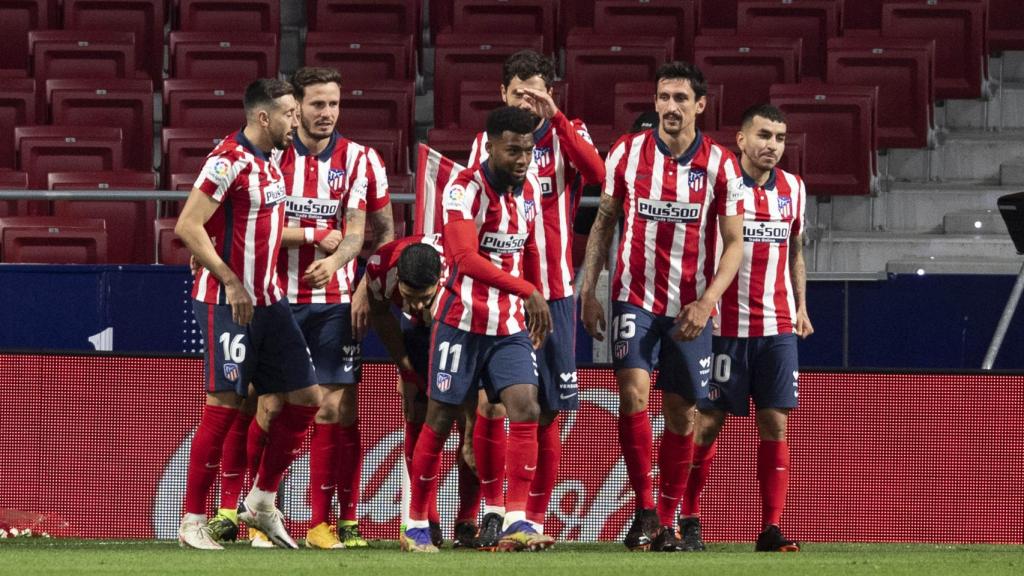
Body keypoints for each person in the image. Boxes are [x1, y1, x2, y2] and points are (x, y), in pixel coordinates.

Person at [579, 61, 746, 552]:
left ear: (700, 105)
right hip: (634, 297)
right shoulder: (627, 154)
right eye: (663, 97)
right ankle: (645, 509)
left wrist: (707, 301)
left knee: (682, 411)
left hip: (691, 307)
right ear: (654, 103)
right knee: (632, 394)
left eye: (680, 98)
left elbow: (734, 242)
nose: (670, 107)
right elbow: (604, 222)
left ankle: (669, 519)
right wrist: (590, 290)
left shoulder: (720, 164)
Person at [464, 49, 605, 548]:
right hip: (504, 295)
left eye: (537, 91)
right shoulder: (486, 141)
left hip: (557, 291)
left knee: (548, 409)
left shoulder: (569, 131)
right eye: (519, 91)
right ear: (503, 94)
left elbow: (598, 174)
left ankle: (532, 519)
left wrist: (558, 118)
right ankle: (493, 511)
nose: (528, 100)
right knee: (493, 404)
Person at [174, 78, 322, 551]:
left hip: (270, 299)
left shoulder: (275, 158)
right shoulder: (226, 161)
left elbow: (254, 223)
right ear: (264, 117)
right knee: (225, 407)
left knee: (306, 397)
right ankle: (192, 519)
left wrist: (318, 234)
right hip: (227, 301)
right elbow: (186, 224)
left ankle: (261, 500)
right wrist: (229, 277)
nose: (295, 122)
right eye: (289, 115)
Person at [401, 106, 553, 553]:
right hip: (460, 322)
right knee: (441, 418)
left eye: (528, 150)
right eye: (513, 150)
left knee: (525, 407)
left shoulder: (532, 189)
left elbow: (527, 250)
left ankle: (518, 520)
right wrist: (529, 290)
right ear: (490, 147)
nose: (523, 158)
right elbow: (465, 259)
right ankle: (415, 524)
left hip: (507, 324)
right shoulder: (463, 188)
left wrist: (532, 299)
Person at [679, 104, 812, 553]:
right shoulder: (722, 186)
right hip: (724, 327)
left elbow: (795, 250)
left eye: (779, 137)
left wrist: (802, 307)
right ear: (741, 139)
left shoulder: (793, 188)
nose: (772, 145)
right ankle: (689, 515)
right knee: (708, 422)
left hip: (776, 326)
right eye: (763, 135)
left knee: (775, 422)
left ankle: (771, 528)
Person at [363, 234, 477, 547]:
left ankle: (467, 521)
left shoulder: (460, 271)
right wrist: (405, 367)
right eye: (408, 296)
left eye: (422, 297)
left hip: (463, 326)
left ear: (439, 280)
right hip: (416, 333)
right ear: (397, 278)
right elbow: (381, 313)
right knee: (419, 412)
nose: (414, 305)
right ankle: (427, 519)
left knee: (470, 423)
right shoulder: (380, 270)